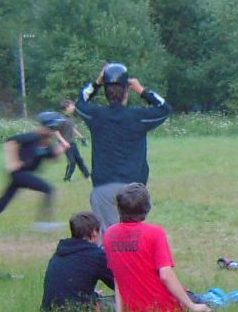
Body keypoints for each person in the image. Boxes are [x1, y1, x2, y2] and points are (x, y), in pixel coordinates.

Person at [74, 63, 172, 229]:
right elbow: (165, 109)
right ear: (127, 91)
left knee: (108, 238)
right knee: (133, 236)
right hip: (134, 191)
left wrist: (97, 83)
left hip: (103, 187)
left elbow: (80, 102)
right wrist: (142, 90)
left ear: (106, 92)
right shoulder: (138, 117)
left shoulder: (96, 116)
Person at [103, 183, 209, 312]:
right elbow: (166, 275)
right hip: (166, 309)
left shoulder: (110, 234)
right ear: (147, 207)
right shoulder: (155, 233)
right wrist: (192, 306)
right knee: (212, 301)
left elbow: (118, 277)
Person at [0, 112, 66, 241]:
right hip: (18, 173)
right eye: (52, 128)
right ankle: (44, 223)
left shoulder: (47, 144)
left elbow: (53, 158)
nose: (53, 131)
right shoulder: (32, 137)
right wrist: (12, 162)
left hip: (24, 175)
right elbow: (10, 142)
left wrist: (61, 149)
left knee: (2, 203)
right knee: (48, 189)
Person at [41, 211, 115, 312]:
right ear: (94, 233)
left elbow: (69, 285)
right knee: (125, 304)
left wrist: (93, 294)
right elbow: (119, 285)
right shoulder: (96, 255)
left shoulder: (59, 253)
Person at [58, 99, 91, 182]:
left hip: (72, 143)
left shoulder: (70, 118)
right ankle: (67, 179)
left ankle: (87, 176)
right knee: (72, 162)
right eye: (72, 106)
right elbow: (55, 131)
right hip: (65, 144)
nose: (74, 107)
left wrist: (81, 137)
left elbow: (73, 128)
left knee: (79, 160)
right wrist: (63, 142)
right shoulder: (60, 118)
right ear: (66, 108)